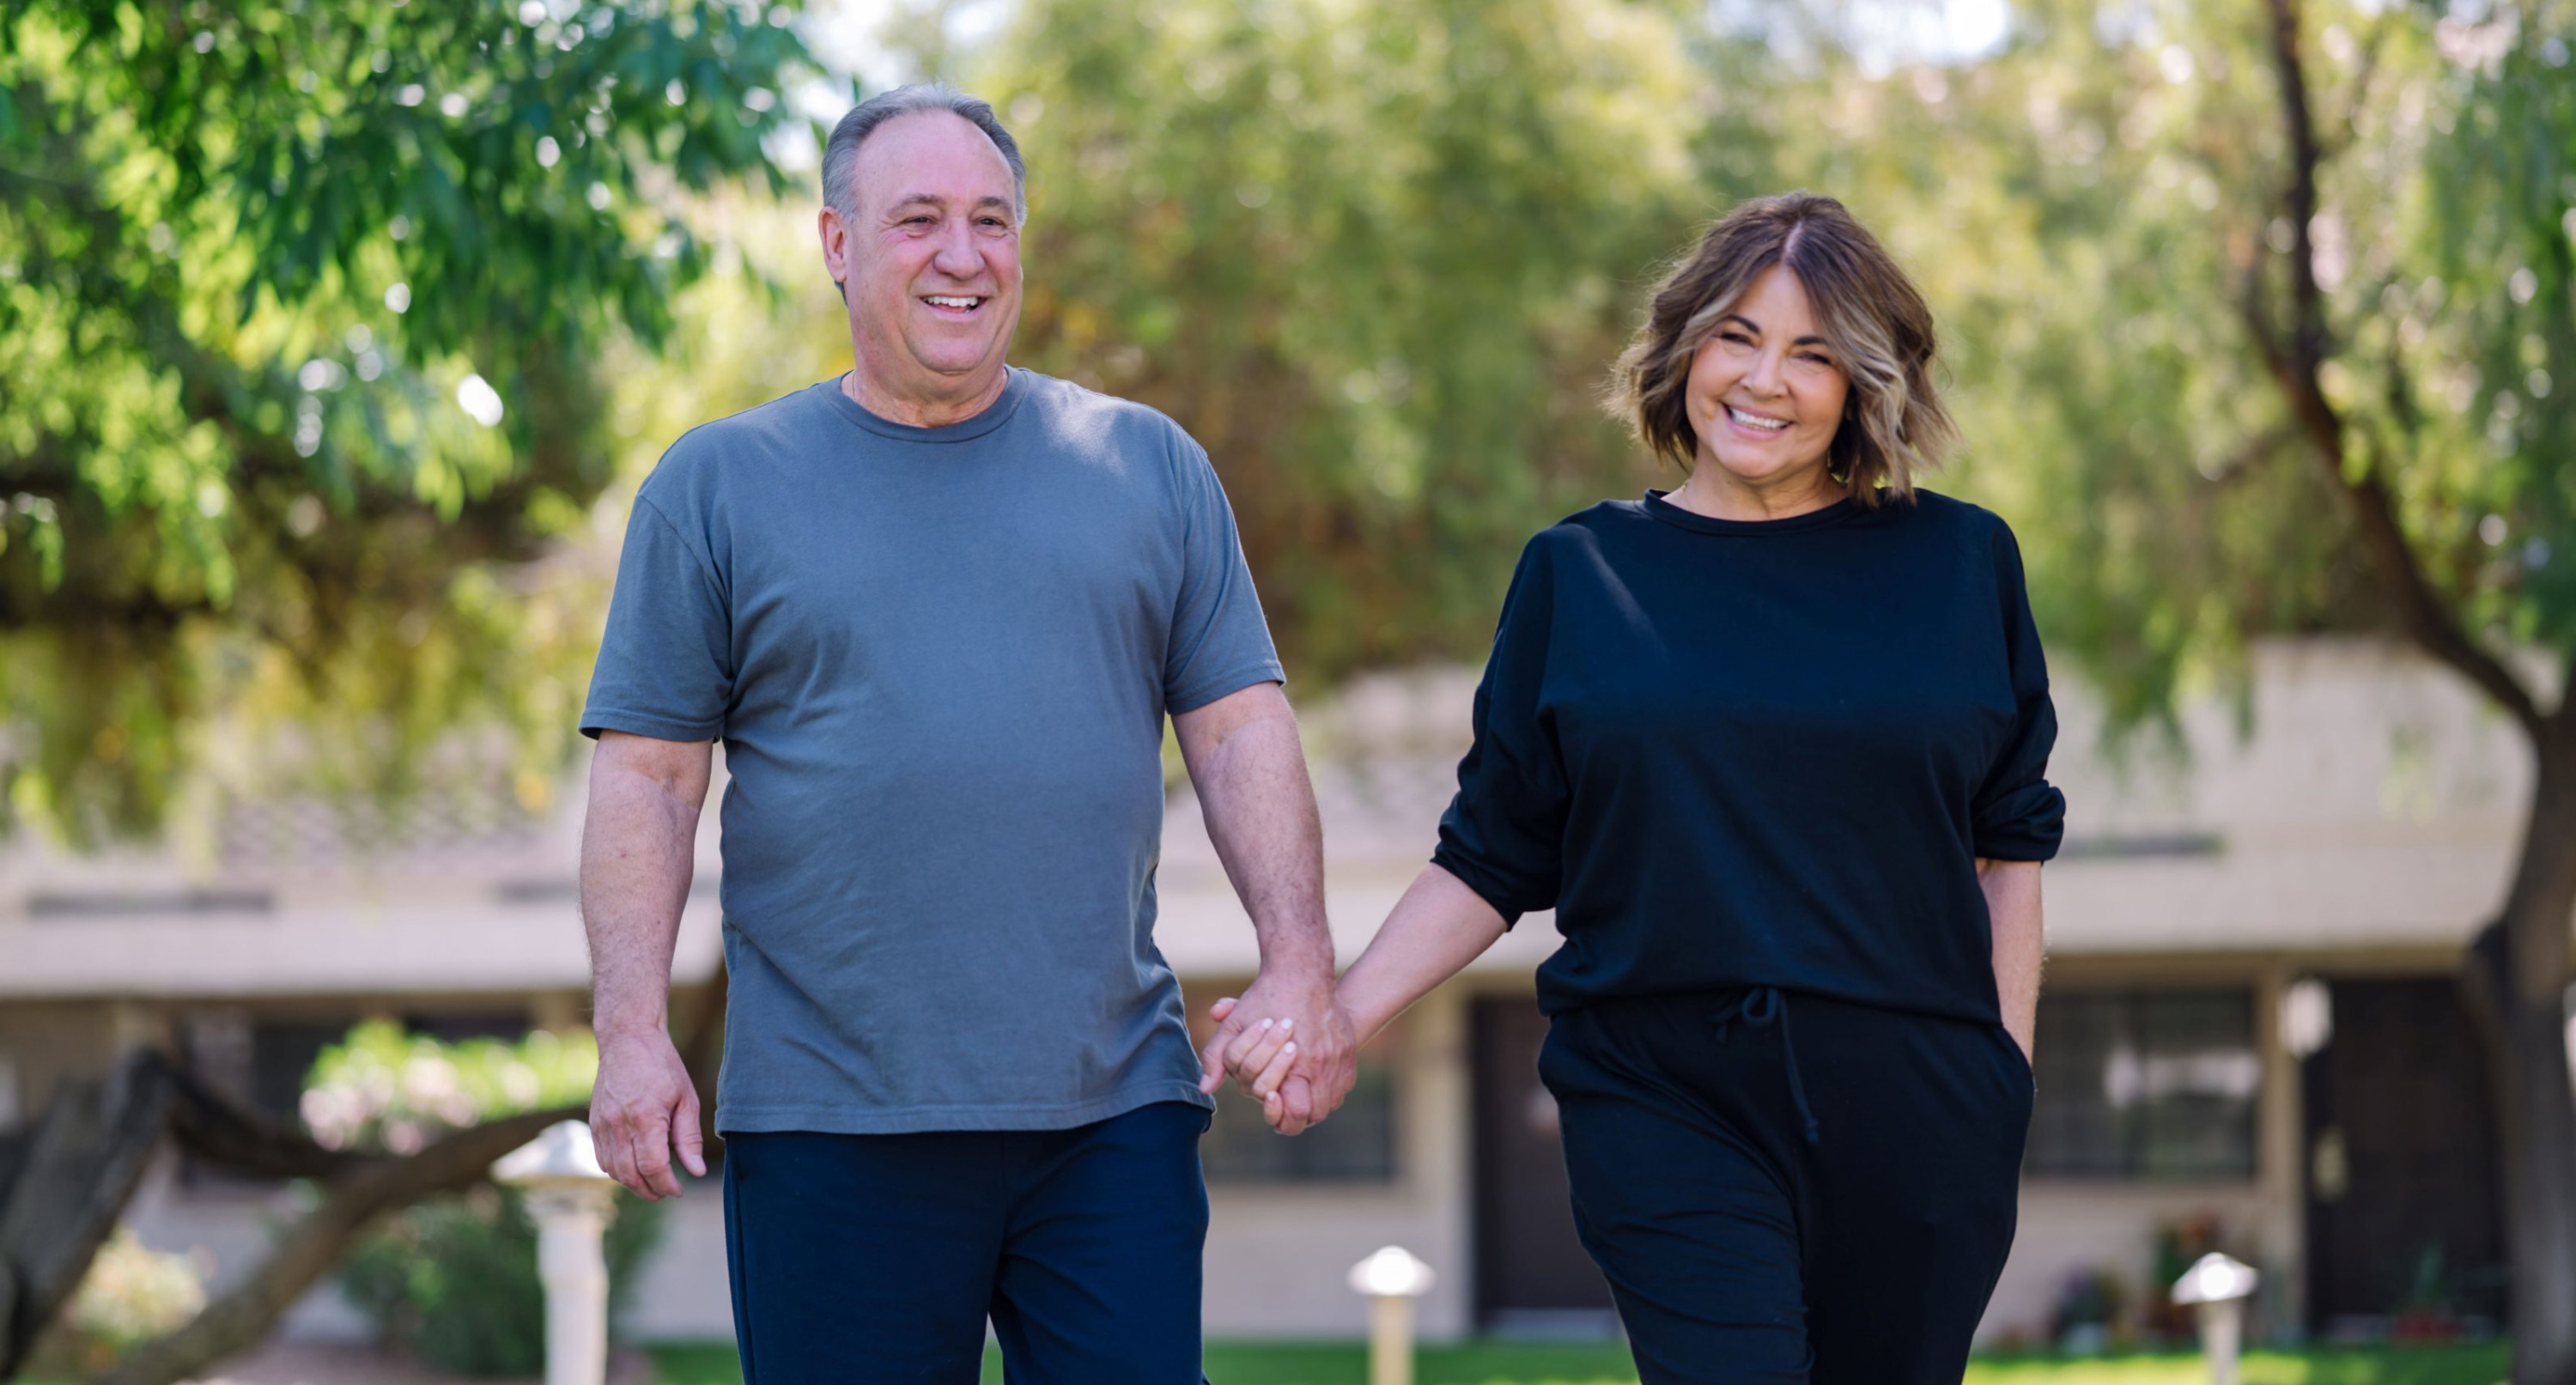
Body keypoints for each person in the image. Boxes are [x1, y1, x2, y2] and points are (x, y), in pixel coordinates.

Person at [577, 83, 1354, 1384]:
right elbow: (648, 782)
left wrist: (1300, 964)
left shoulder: (1147, 464)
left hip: (1109, 1115)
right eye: (920, 218)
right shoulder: (717, 485)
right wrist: (630, 1030)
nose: (963, 254)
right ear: (837, 242)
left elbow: (1239, 733)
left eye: (992, 219)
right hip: (833, 1121)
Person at [1216, 191, 2061, 1385]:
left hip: (1917, 1106)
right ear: (1683, 348)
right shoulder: (1581, 574)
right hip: (1665, 1090)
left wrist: (2001, 1082)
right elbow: (1495, 850)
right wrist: (1343, 1012)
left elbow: (2009, 843)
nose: (1765, 380)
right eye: (1737, 336)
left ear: (1865, 382)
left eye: (1813, 353)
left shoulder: (1960, 561)